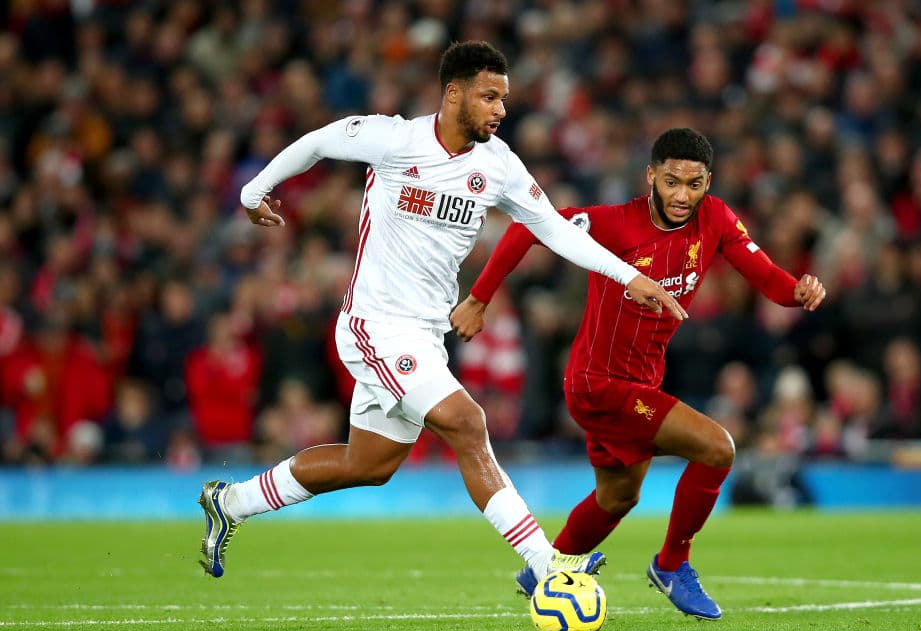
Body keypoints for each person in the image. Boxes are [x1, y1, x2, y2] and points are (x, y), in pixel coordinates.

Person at [198, 41, 684, 589]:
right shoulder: (396, 139)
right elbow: (317, 142)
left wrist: (630, 276)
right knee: (467, 423)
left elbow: (551, 227)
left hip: (425, 335)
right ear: (453, 93)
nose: (501, 109)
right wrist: (253, 191)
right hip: (374, 325)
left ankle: (231, 501)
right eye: (489, 97)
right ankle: (548, 564)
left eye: (505, 99)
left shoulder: (498, 166)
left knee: (369, 464)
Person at [450, 128, 826, 619]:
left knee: (618, 494)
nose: (682, 195)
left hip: (641, 383)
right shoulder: (614, 224)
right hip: (598, 384)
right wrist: (479, 298)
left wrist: (797, 291)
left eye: (694, 184)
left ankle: (545, 567)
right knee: (717, 448)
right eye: (671, 182)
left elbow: (764, 276)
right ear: (651, 176)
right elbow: (527, 226)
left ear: (708, 182)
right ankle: (671, 565)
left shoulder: (714, 219)